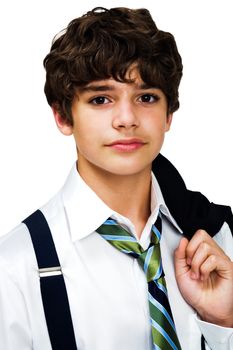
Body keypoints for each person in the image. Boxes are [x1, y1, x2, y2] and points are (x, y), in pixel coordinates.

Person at [0, 6, 232, 350]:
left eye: (147, 97)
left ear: (169, 115)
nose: (126, 118)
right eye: (101, 99)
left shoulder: (218, 239)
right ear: (64, 117)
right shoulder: (16, 268)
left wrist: (223, 322)